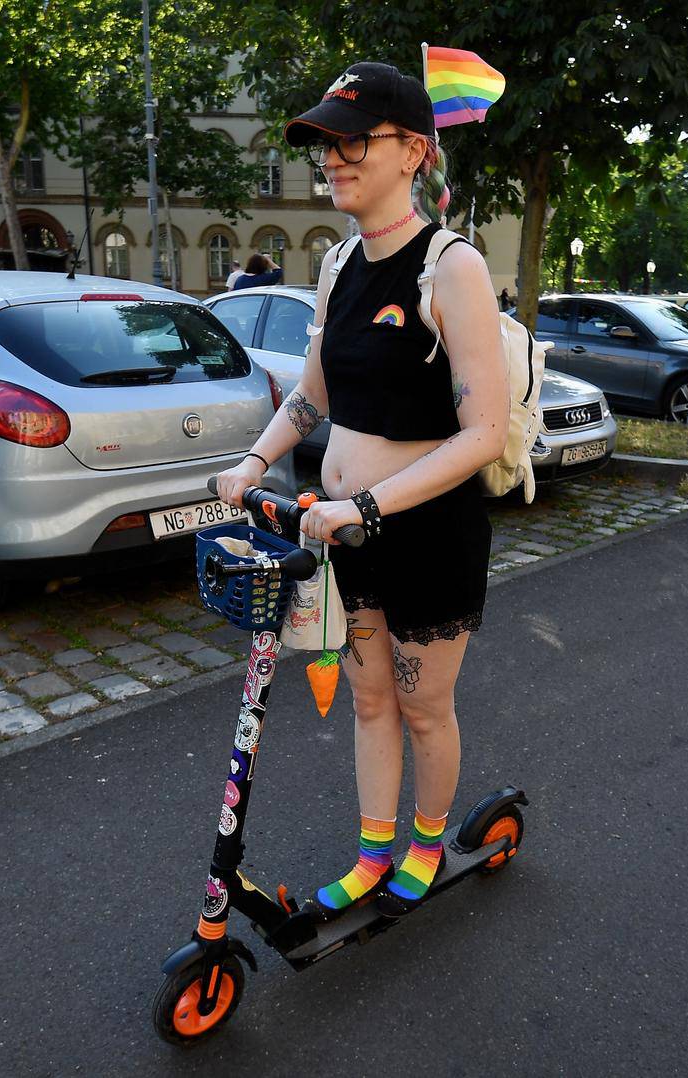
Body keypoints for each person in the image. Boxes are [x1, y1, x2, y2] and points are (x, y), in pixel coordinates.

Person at [214, 60, 506, 921]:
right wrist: (254, 462)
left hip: (424, 533)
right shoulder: (339, 264)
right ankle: (373, 850)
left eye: (351, 141)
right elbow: (313, 397)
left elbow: (484, 431)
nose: (331, 160)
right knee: (369, 701)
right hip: (342, 534)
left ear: (415, 150)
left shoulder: (452, 267)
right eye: (325, 145)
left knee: (423, 707)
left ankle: (425, 843)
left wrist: (368, 505)